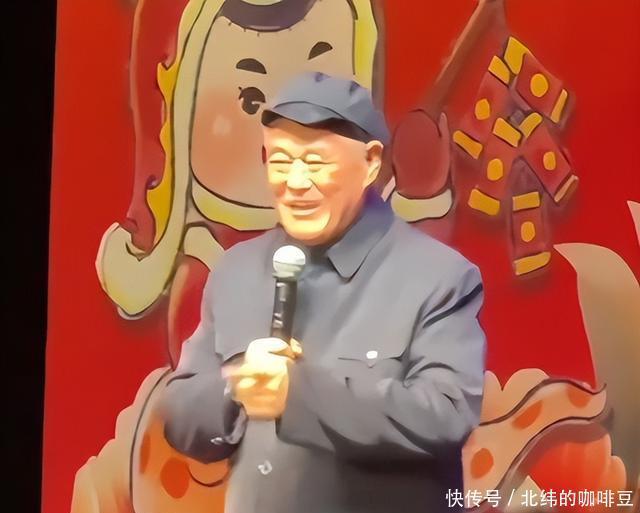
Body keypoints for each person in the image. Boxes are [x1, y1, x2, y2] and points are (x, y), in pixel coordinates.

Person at [159, 71, 487, 513]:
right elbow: (179, 414)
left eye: (315, 163)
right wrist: (237, 388)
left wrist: (297, 396)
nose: (295, 182)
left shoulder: (437, 277)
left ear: (371, 163)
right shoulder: (236, 272)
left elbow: (445, 414)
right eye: (280, 161)